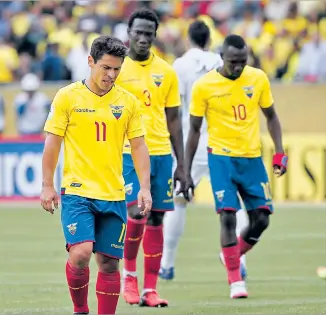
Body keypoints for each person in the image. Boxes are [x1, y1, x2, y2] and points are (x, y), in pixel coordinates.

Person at [41, 35, 153, 315]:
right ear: (90, 62)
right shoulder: (67, 97)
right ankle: (80, 310)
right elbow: (52, 144)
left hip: (113, 193)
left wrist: (145, 187)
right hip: (77, 191)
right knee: (80, 253)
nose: (111, 75)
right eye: (105, 68)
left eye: (117, 69)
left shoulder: (128, 102)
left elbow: (139, 146)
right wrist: (47, 185)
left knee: (108, 262)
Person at [185, 34, 287, 299]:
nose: (239, 67)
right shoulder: (204, 86)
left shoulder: (258, 78)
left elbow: (272, 116)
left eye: (243, 61)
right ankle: (235, 280)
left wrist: (280, 152)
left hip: (251, 158)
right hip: (221, 157)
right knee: (228, 215)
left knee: (261, 220)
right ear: (222, 57)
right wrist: (184, 169)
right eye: (233, 62)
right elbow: (194, 129)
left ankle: (230, 254)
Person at [159, 20, 249, 281]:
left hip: (191, 140)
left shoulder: (179, 65)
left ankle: (167, 264)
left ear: (188, 39)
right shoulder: (221, 61)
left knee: (178, 201)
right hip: (224, 138)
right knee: (234, 203)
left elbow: (173, 107)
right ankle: (239, 259)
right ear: (210, 40)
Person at [116, 8, 186, 307]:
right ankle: (129, 276)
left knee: (156, 217)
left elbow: (174, 120)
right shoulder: (116, 69)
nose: (143, 38)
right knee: (136, 213)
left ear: (154, 36)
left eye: (148, 33)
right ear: (128, 34)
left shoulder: (167, 72)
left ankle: (150, 290)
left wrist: (182, 164)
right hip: (127, 153)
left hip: (159, 154)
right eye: (138, 33)